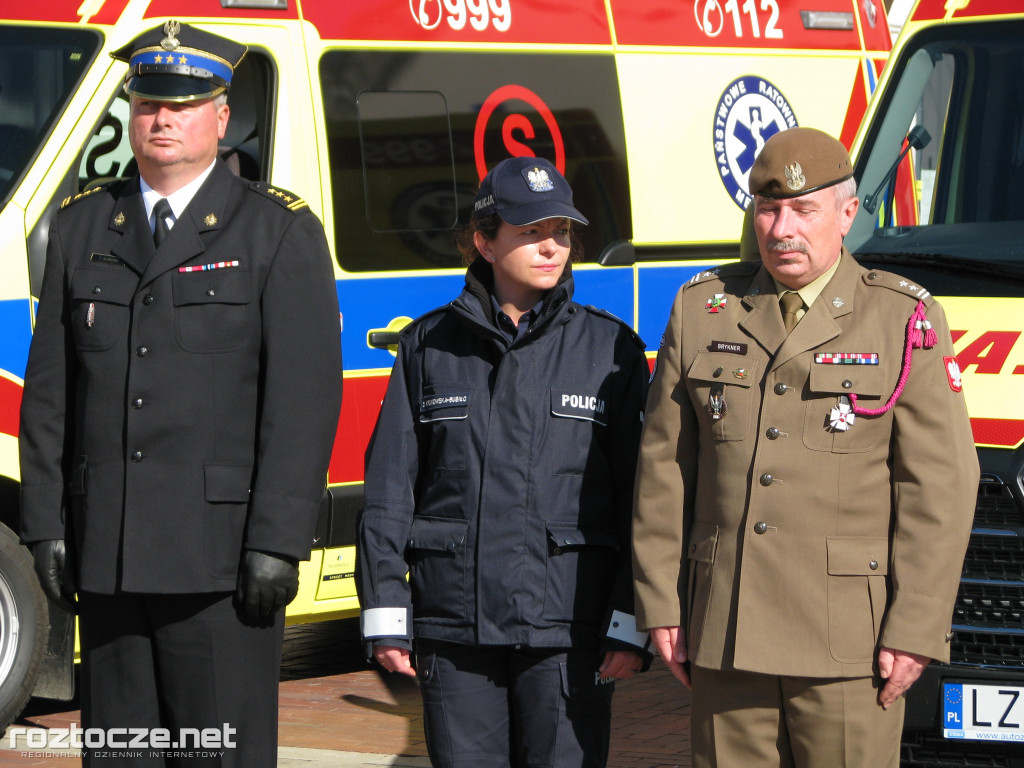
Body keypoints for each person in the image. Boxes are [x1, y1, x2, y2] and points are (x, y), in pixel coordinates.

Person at [18, 20, 342, 767]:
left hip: (219, 567)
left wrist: (277, 542)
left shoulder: (275, 232)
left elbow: (301, 403)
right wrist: (46, 527)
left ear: (221, 117)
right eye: (149, 102)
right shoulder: (81, 225)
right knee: (120, 756)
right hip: (108, 559)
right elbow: (50, 393)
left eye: (185, 103)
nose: (163, 117)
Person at [632, 127, 978, 768]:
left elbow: (940, 488)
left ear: (848, 213)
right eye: (768, 209)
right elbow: (664, 470)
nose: (781, 228)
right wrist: (660, 600)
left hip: (849, 641)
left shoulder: (901, 318)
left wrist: (916, 627)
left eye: (802, 209)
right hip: (725, 628)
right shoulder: (704, 308)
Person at [357, 156, 651, 768]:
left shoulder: (611, 349)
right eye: (531, 232)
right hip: (453, 627)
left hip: (568, 625)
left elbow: (644, 501)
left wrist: (629, 621)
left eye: (563, 232)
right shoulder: (428, 345)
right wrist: (386, 613)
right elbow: (389, 490)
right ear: (485, 242)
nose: (552, 247)